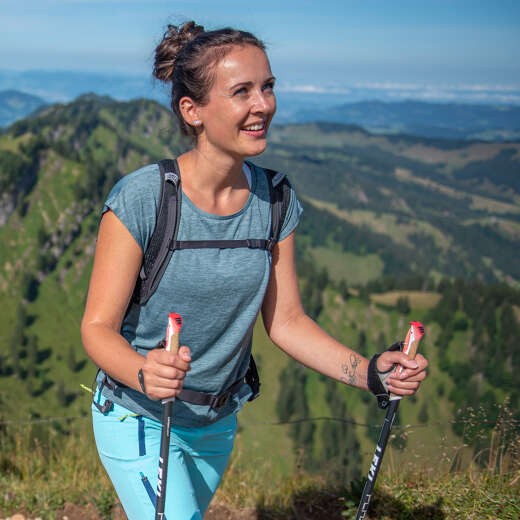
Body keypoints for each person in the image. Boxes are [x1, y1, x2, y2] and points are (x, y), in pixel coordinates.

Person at [81, 21, 428, 520]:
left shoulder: (275, 199)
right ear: (192, 110)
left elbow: (287, 322)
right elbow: (96, 328)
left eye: (267, 87)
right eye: (241, 91)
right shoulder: (143, 198)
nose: (263, 104)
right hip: (138, 415)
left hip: (217, 421)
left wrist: (370, 372)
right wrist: (143, 371)